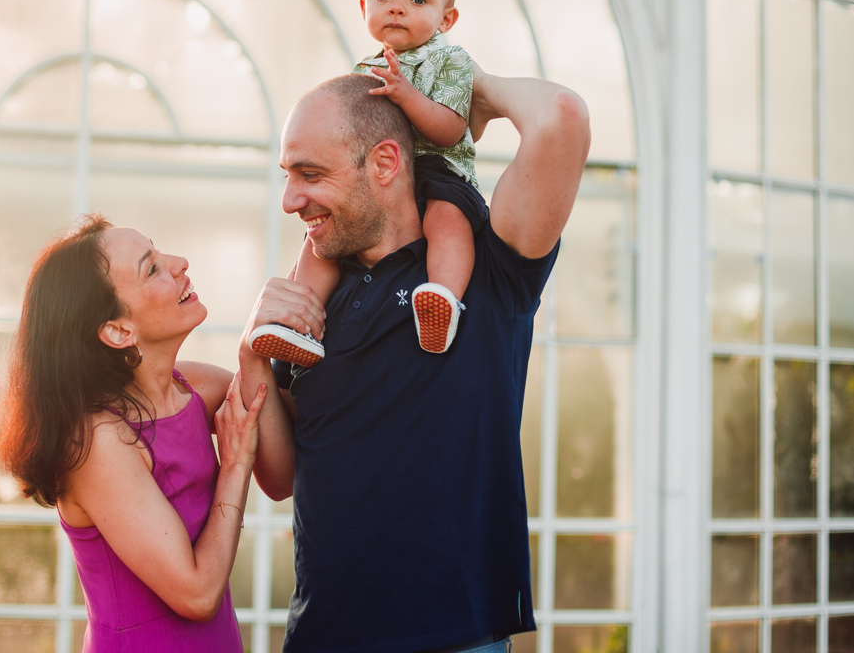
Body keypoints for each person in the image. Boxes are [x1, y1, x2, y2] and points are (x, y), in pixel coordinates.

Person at [236, 69, 590, 652]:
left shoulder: (486, 268)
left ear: (384, 164)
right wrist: (250, 353)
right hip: (322, 636)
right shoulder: (315, 299)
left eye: (311, 174)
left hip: (454, 638)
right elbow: (277, 479)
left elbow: (563, 118)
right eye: (288, 175)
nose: (290, 199)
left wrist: (464, 85)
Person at [0, 215, 281, 652]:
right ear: (118, 330)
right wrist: (236, 463)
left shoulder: (195, 389)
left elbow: (284, 472)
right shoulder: (96, 441)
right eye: (152, 268)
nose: (180, 263)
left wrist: (255, 354)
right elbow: (198, 594)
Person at [248, 0, 484, 365]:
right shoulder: (364, 70)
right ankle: (301, 322)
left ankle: (442, 298)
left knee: (448, 220)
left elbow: (450, 130)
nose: (396, 7)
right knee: (319, 244)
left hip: (440, 169)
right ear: (363, 8)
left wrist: (406, 95)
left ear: (446, 18)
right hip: (385, 181)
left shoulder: (451, 61)